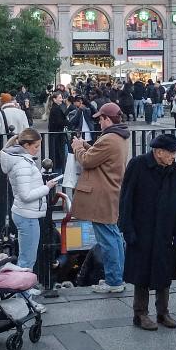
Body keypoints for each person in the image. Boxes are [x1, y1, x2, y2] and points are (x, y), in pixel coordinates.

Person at [119, 134, 176, 329]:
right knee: (142, 273)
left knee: (164, 272)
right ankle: (140, 313)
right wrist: (127, 229)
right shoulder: (138, 165)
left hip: (166, 230)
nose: (174, 156)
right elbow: (126, 198)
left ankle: (163, 312)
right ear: (159, 152)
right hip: (142, 229)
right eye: (171, 152)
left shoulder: (174, 170)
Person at [71, 102, 131, 293]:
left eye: (100, 119)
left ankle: (113, 281)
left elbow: (88, 160)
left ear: (107, 119)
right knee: (114, 237)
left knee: (107, 240)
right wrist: (86, 145)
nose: (98, 123)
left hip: (102, 196)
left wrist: (77, 148)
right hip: (111, 193)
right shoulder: (119, 137)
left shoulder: (109, 139)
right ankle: (117, 278)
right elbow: (100, 156)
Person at [0, 129, 58, 278]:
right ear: (26, 145)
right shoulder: (23, 163)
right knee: (27, 258)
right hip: (27, 214)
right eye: (36, 146)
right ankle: (24, 294)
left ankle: (25, 290)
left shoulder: (19, 160)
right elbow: (25, 195)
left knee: (27, 256)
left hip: (24, 212)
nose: (37, 150)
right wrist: (47, 188)